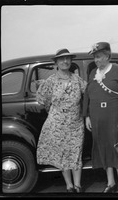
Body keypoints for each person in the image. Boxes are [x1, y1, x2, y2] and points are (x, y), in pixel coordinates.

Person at [36, 48, 87, 193]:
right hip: (57, 123)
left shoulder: (77, 79)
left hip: (76, 122)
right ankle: (69, 186)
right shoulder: (51, 81)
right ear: (56, 62)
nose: (65, 61)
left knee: (76, 153)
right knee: (63, 154)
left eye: (68, 59)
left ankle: (78, 186)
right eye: (62, 59)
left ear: (71, 61)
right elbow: (41, 99)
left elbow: (88, 93)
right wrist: (54, 111)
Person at [82, 42, 118, 193]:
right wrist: (87, 116)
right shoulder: (92, 73)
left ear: (108, 56)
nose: (97, 60)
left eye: (99, 57)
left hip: (114, 116)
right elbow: (87, 96)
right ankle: (111, 182)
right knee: (103, 147)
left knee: (117, 147)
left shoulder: (117, 71)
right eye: (95, 57)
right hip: (97, 117)